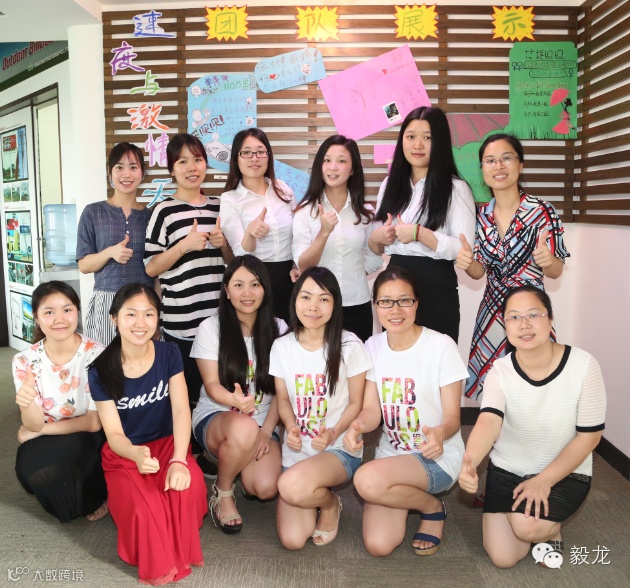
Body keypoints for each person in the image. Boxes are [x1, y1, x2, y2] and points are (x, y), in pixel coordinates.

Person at [458, 285, 606, 569]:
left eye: (533, 314)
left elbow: (589, 438)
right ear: (505, 326)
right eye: (513, 317)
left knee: (528, 527)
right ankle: (526, 518)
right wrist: (471, 462)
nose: (523, 324)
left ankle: (549, 530)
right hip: (508, 469)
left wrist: (544, 480)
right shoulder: (500, 370)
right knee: (503, 557)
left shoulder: (584, 365)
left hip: (564, 472)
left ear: (550, 320)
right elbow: (489, 420)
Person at [89, 283, 207, 586]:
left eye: (149, 314)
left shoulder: (169, 353)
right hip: (125, 454)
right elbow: (113, 433)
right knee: (146, 508)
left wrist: (179, 460)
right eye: (131, 314)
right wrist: (135, 453)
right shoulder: (100, 370)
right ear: (114, 318)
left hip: (170, 445)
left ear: (158, 318)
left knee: (188, 487)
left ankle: (176, 543)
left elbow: (181, 410)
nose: (140, 323)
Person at [344, 267, 468, 557]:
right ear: (375, 306)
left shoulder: (441, 346)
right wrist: (357, 426)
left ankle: (430, 506)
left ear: (416, 303)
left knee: (366, 480)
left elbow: (453, 418)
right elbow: (372, 410)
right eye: (386, 302)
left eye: (404, 300)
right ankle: (430, 504)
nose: (395, 310)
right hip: (392, 457)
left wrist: (440, 433)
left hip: (436, 457)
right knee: (378, 545)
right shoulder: (372, 346)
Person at [457, 133, 570, 400]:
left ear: (520, 165)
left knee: (535, 384)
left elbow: (556, 271)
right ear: (482, 168)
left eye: (506, 158)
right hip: (493, 313)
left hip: (530, 311)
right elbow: (479, 272)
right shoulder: (481, 216)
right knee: (494, 390)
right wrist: (467, 263)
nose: (498, 166)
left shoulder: (542, 211)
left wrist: (548, 260)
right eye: (490, 160)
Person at [270, 267, 371, 549]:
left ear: (335, 304)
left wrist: (334, 431)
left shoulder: (350, 345)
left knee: (290, 486)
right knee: (292, 540)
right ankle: (317, 492)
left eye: (323, 299)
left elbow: (357, 403)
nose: (313, 307)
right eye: (306, 297)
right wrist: (291, 426)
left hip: (337, 449)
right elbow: (282, 399)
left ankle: (329, 504)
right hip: (298, 451)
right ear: (295, 300)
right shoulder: (282, 346)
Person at [191, 255, 285, 534]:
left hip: (263, 423)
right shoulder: (211, 328)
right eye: (239, 285)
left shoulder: (280, 329)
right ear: (227, 290)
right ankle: (222, 491)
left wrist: (267, 429)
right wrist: (233, 400)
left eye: (255, 284)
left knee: (265, 487)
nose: (247, 293)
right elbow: (211, 384)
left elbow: (282, 392)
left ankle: (237, 463)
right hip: (217, 417)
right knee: (244, 427)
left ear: (265, 289)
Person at [368, 106, 475, 343]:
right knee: (396, 358)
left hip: (436, 285)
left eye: (427, 137)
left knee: (437, 358)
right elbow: (377, 247)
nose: (418, 145)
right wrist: (376, 238)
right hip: (395, 283)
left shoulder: (456, 188)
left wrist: (419, 233)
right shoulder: (389, 184)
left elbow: (464, 250)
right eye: (410, 136)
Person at [144, 133, 233, 407]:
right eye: (182, 161)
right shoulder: (163, 211)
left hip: (220, 322)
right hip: (181, 324)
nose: (191, 168)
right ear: (172, 170)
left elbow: (233, 263)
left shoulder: (221, 206)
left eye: (197, 160)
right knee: (186, 399)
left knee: (221, 397)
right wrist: (183, 246)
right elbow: (151, 267)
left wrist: (223, 245)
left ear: (206, 164)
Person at [13, 281, 107, 523]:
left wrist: (40, 431)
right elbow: (32, 423)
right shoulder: (24, 361)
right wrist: (28, 400)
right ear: (36, 318)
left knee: (75, 465)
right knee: (31, 471)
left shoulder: (97, 355)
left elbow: (94, 422)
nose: (59, 319)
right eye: (49, 312)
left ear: (77, 311)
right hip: (49, 432)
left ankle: (94, 498)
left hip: (88, 433)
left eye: (67, 309)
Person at [292, 135, 382, 342]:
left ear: (353, 169)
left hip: (357, 303)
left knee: (357, 361)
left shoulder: (366, 213)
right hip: (316, 307)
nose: (333, 167)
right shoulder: (305, 211)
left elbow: (374, 260)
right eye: (327, 160)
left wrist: (352, 270)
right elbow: (303, 265)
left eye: (341, 161)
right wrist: (324, 233)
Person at [77, 142, 153, 345]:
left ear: (142, 173)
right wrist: (110, 252)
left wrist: (157, 307)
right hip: (106, 303)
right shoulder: (93, 212)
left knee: (142, 361)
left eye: (133, 167)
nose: (126, 174)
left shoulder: (151, 216)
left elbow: (157, 269)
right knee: (105, 360)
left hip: (143, 303)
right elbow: (84, 265)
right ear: (110, 173)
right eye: (119, 167)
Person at [220, 128, 296, 322]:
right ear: (236, 159)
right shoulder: (230, 199)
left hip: (290, 278)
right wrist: (250, 233)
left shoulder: (283, 190)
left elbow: (298, 236)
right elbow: (238, 253)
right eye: (246, 152)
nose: (254, 158)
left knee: (289, 335)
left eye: (260, 151)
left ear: (268, 156)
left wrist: (298, 264)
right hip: (254, 281)